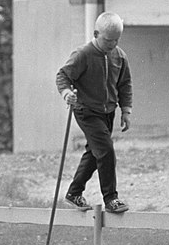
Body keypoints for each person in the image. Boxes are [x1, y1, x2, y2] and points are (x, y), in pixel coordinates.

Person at [56, 12, 133, 213]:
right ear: (96, 33)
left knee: (94, 152)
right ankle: (111, 199)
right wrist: (66, 93)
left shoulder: (120, 56)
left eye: (116, 40)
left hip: (108, 112)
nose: (112, 44)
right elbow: (63, 75)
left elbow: (124, 84)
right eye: (108, 40)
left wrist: (126, 110)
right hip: (86, 111)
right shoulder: (83, 54)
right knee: (106, 150)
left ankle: (74, 193)